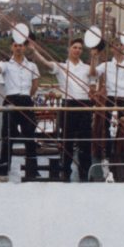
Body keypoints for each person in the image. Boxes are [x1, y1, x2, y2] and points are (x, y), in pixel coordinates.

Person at [33, 37, 93, 181]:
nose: (77, 50)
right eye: (75, 47)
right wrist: (34, 51)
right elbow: (46, 64)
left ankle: (85, 171)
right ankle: (65, 171)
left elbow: (94, 75)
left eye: (80, 48)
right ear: (69, 49)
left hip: (85, 105)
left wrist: (95, 57)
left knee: (86, 141)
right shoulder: (61, 67)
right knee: (67, 140)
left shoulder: (86, 68)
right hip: (69, 104)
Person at [0, 39, 41, 179]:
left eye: (21, 45)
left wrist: (26, 97)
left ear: (24, 48)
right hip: (10, 99)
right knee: (7, 136)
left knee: (30, 136)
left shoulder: (32, 65)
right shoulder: (5, 63)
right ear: (11, 47)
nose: (18, 48)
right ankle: (4, 167)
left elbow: (35, 84)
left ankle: (32, 170)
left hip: (25, 100)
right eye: (16, 45)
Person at [91, 38, 124, 178]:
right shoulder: (106, 65)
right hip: (111, 100)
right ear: (112, 48)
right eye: (115, 45)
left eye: (120, 44)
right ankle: (107, 159)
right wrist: (94, 58)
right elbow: (93, 74)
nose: (118, 47)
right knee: (107, 131)